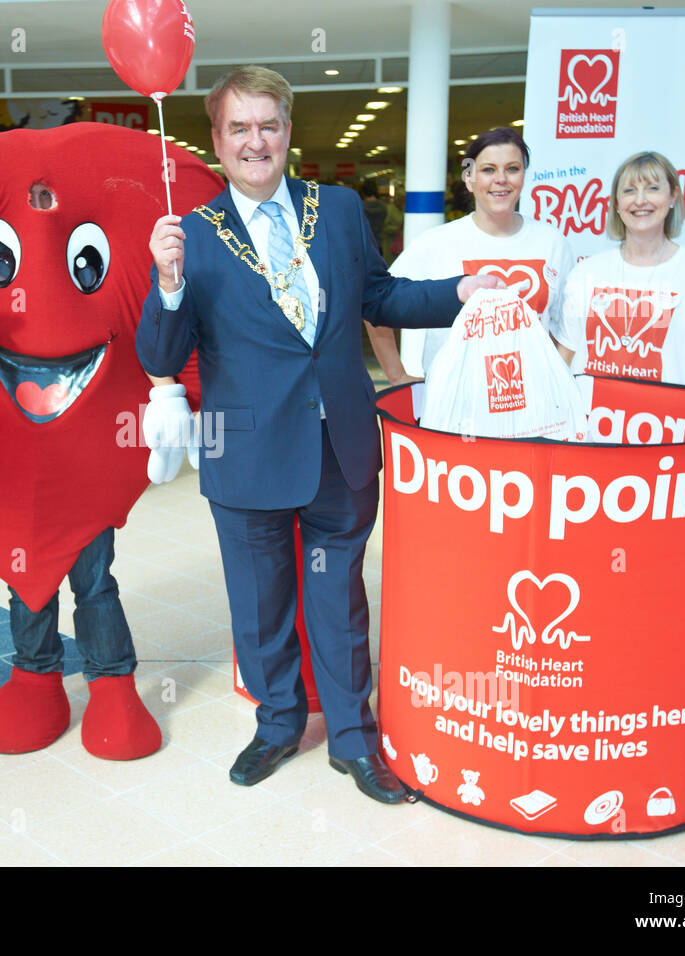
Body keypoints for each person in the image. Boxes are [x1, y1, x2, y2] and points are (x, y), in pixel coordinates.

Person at [137, 66, 498, 804]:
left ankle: (353, 739)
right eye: (239, 127)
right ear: (217, 139)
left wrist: (457, 294)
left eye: (268, 124)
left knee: (338, 600)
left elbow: (380, 295)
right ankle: (277, 726)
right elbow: (160, 357)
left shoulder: (334, 209)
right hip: (244, 452)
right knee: (260, 602)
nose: (255, 140)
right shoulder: (190, 236)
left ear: (288, 132)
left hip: (340, 445)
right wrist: (167, 284)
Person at [554, 150, 685, 400]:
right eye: (629, 191)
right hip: (592, 431)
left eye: (653, 188)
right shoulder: (587, 274)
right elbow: (565, 357)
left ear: (673, 195)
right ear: (617, 204)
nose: (640, 200)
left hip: (667, 428)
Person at [373, 127, 575, 381]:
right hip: (455, 409)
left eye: (512, 168)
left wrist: (556, 378)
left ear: (524, 176)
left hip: (532, 406)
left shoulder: (551, 241)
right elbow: (377, 304)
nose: (501, 179)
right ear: (469, 179)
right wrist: (397, 376)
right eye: (488, 169)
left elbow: (566, 324)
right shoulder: (436, 243)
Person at [360, 180, 388, 255]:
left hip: (363, 245)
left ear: (363, 192)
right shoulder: (383, 206)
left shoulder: (360, 207)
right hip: (378, 244)